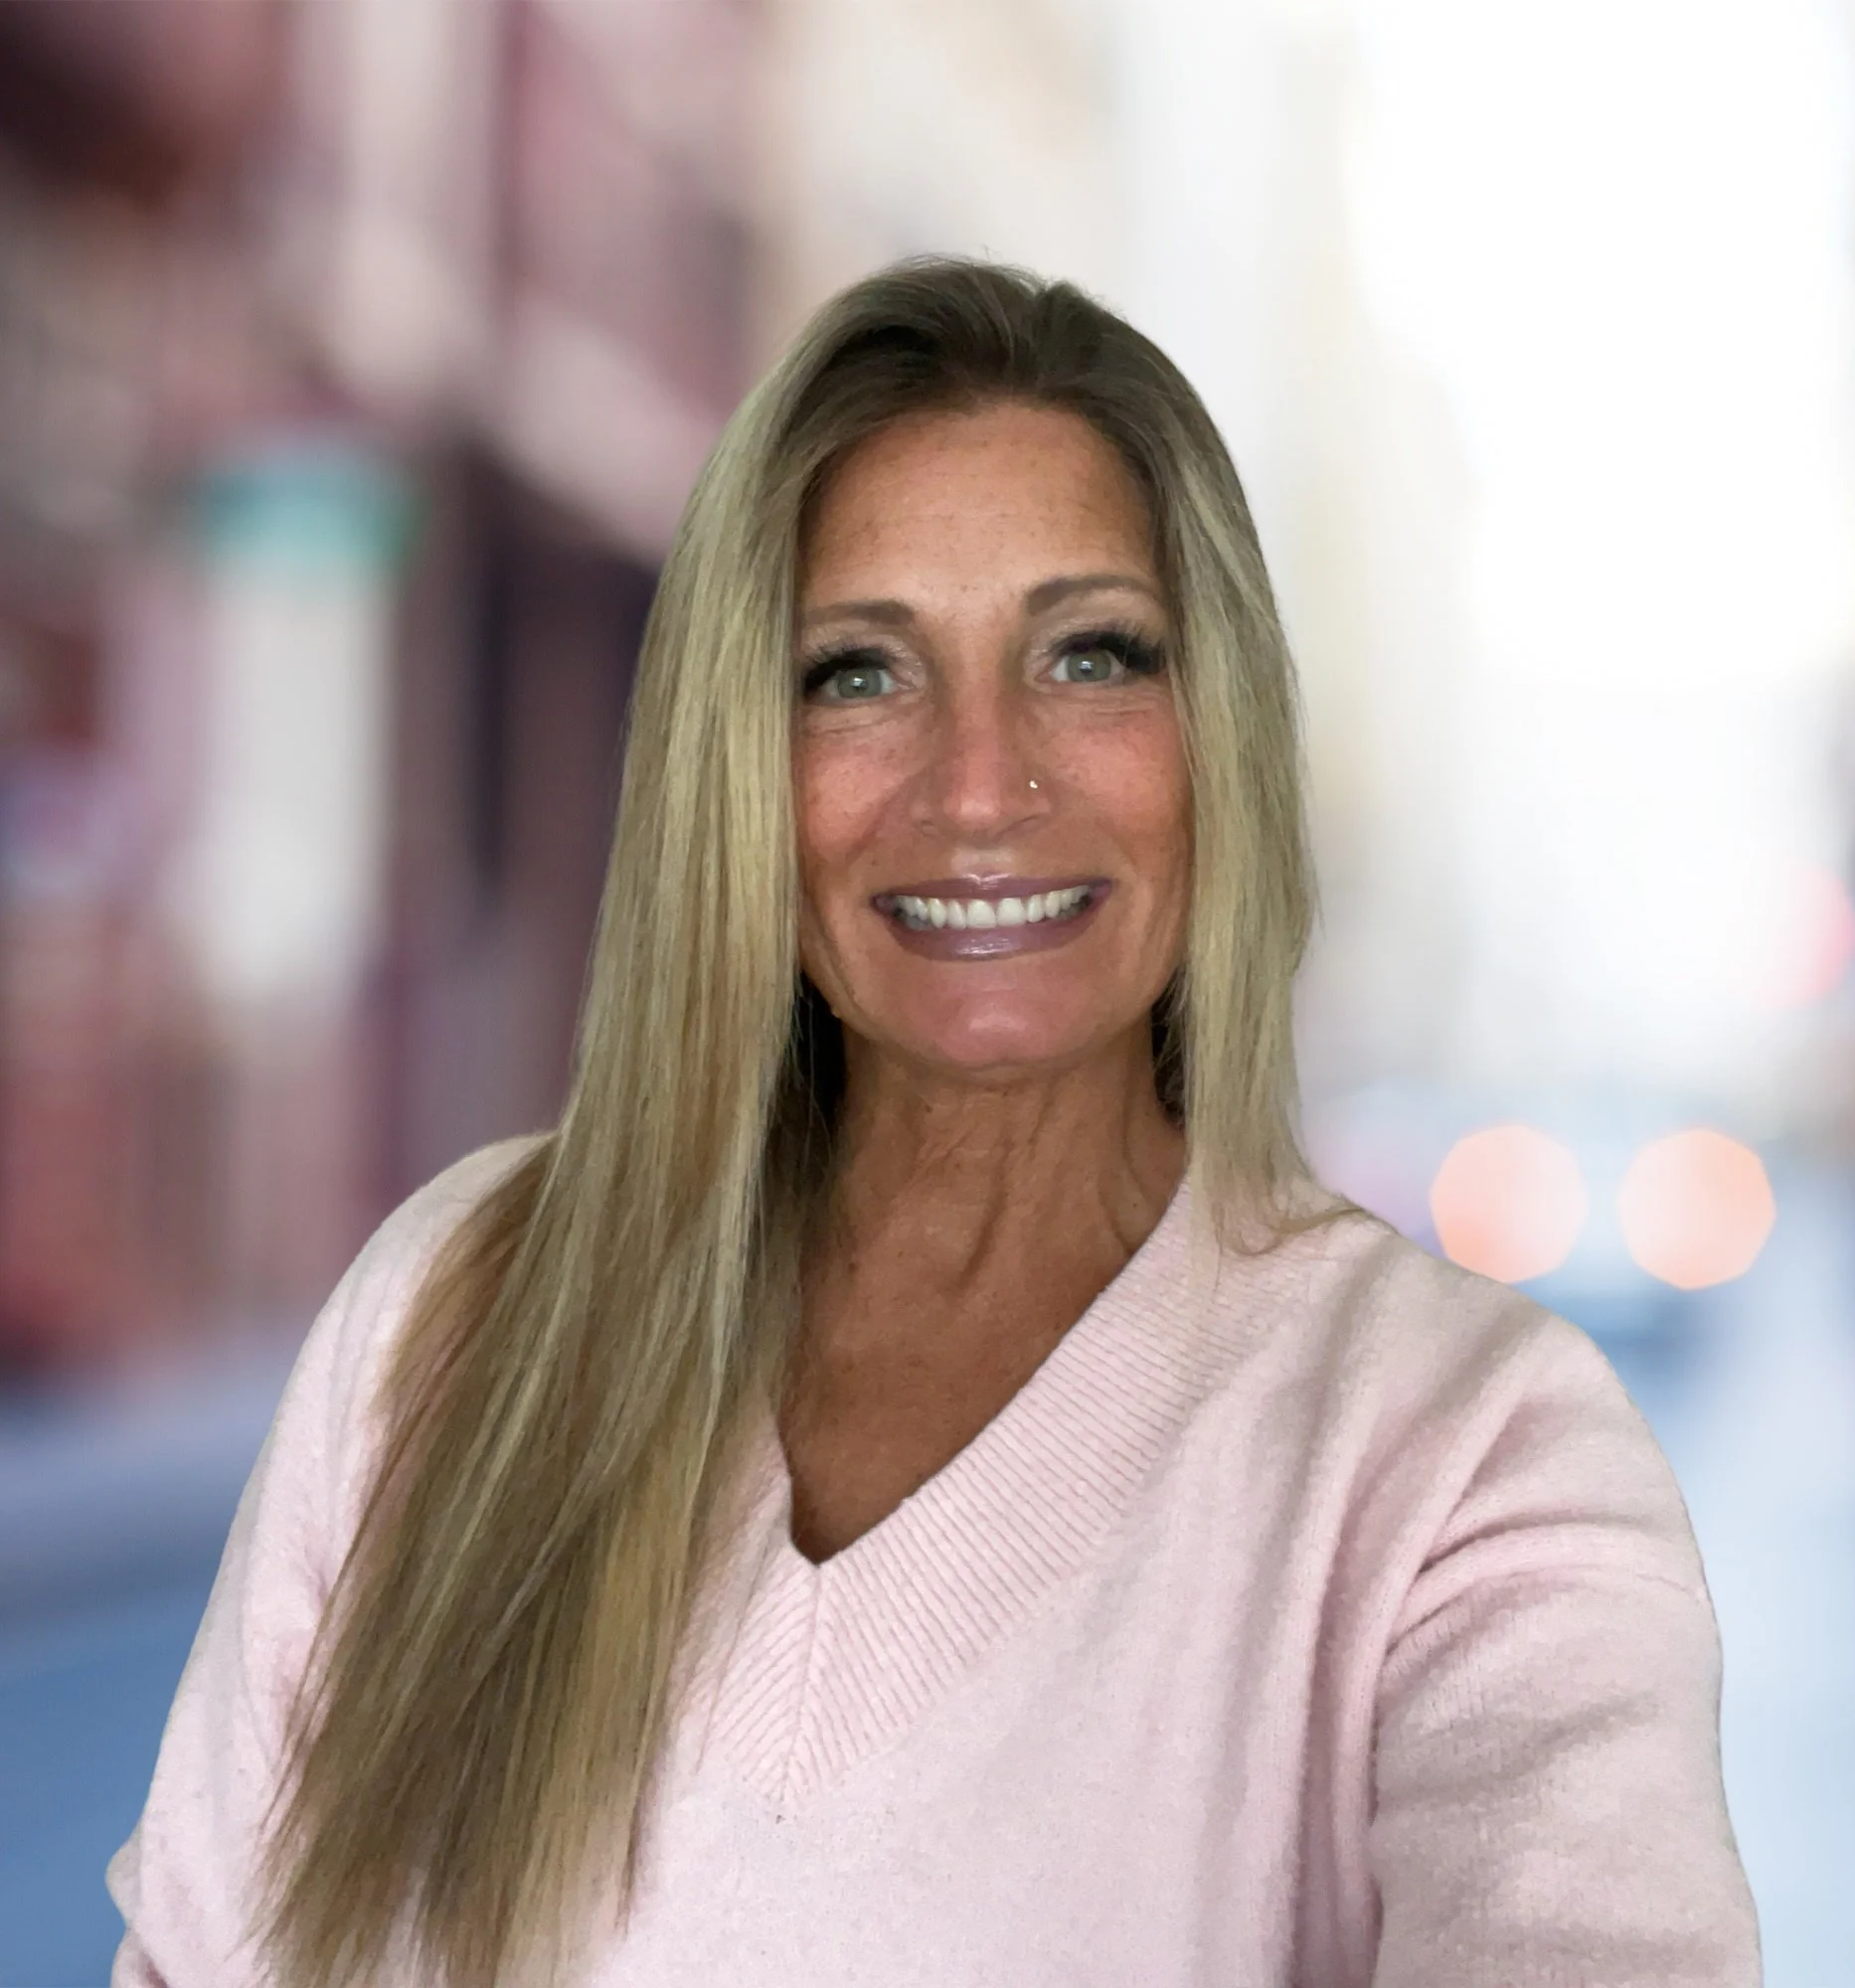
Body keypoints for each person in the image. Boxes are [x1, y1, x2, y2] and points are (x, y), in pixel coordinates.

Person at [108, 258, 1759, 1988]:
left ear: (1223, 736)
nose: (978, 786)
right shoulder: (452, 1312)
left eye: (1090, 656)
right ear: (737, 764)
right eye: (858, 674)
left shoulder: (1466, 1459)